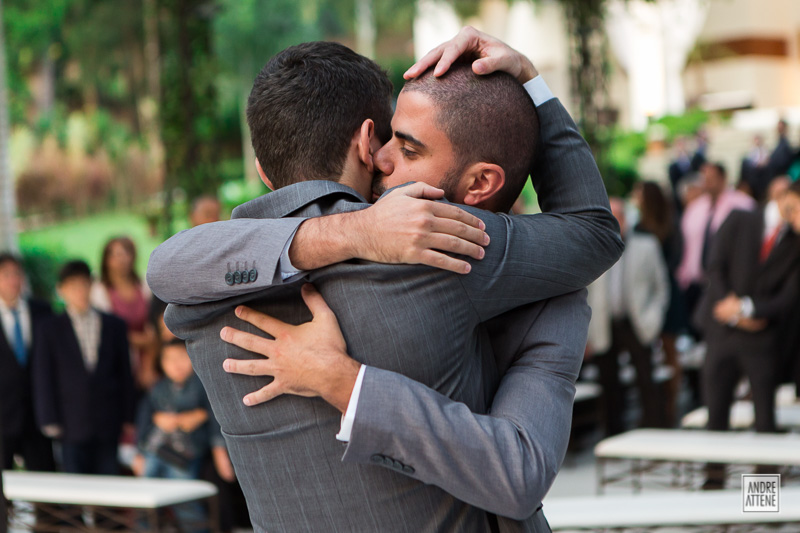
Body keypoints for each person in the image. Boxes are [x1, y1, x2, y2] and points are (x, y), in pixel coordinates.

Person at [148, 31, 622, 532]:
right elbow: (592, 230)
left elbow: (164, 270)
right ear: (366, 144)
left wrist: (345, 380)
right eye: (392, 141)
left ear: (264, 172)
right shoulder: (431, 244)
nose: (390, 157)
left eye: (409, 146)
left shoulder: (202, 298)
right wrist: (530, 81)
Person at [696, 180, 800, 489]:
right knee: (716, 416)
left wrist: (746, 310)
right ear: (786, 196)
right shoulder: (740, 218)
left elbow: (789, 299)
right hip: (722, 333)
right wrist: (734, 310)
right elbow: (714, 267)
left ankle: (762, 507)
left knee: (765, 423)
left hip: (762, 340)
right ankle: (713, 494)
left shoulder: (796, 244)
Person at [32, 260, 135, 476]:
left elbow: (125, 373)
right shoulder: (49, 329)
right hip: (70, 421)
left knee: (108, 483)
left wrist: (128, 415)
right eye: (72, 286)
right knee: (74, 486)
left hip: (108, 419)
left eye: (83, 284)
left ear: (91, 285)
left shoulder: (113, 325)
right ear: (61, 290)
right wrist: (48, 418)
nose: (79, 291)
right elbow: (43, 376)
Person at [586, 198, 670, 435]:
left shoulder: (647, 245)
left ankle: (655, 431)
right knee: (609, 384)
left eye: (619, 216)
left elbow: (661, 287)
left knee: (646, 379)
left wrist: (654, 319)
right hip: (605, 323)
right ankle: (614, 434)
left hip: (637, 322)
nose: (616, 222)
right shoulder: (594, 248)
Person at [135, 339, 230, 532]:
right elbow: (145, 419)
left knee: (184, 499)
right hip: (155, 451)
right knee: (144, 498)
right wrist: (139, 451)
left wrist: (219, 449)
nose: (175, 365)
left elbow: (214, 419)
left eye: (181, 357)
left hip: (183, 455)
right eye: (169, 359)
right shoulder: (159, 387)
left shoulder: (202, 385)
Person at [676, 162, 755, 336]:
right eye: (705, 179)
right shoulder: (695, 208)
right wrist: (684, 274)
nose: (707, 183)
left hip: (729, 281)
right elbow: (689, 245)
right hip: (698, 281)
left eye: (711, 179)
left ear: (722, 179)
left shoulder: (742, 204)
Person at [632, 181, 685, 424]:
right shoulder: (640, 227)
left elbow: (674, 261)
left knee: (670, 352)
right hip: (647, 295)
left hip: (666, 294)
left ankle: (670, 406)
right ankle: (657, 406)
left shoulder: (669, 225)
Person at [0, 253, 55, 472]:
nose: (13, 280)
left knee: (46, 485)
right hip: (3, 417)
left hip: (38, 415)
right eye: (6, 275)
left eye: (17, 274)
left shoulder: (42, 311)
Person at [92, 236, 158, 390]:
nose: (121, 259)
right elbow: (106, 329)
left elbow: (153, 323)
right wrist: (142, 341)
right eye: (114, 255)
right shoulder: (99, 291)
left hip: (150, 359)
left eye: (125, 253)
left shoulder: (144, 285)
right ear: (106, 260)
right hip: (119, 360)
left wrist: (148, 364)